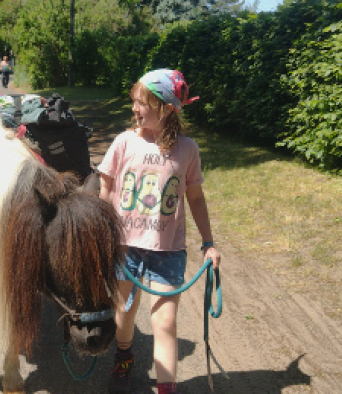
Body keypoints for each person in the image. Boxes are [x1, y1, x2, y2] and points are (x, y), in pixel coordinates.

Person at [97, 69, 222, 394]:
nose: (134, 109)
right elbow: (106, 185)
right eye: (134, 102)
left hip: (167, 252)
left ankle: (167, 388)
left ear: (166, 108)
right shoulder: (125, 142)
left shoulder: (187, 149)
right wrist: (102, 230)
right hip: (125, 247)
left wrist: (208, 243)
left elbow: (195, 196)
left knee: (165, 322)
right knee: (124, 316)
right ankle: (124, 354)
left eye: (142, 103)